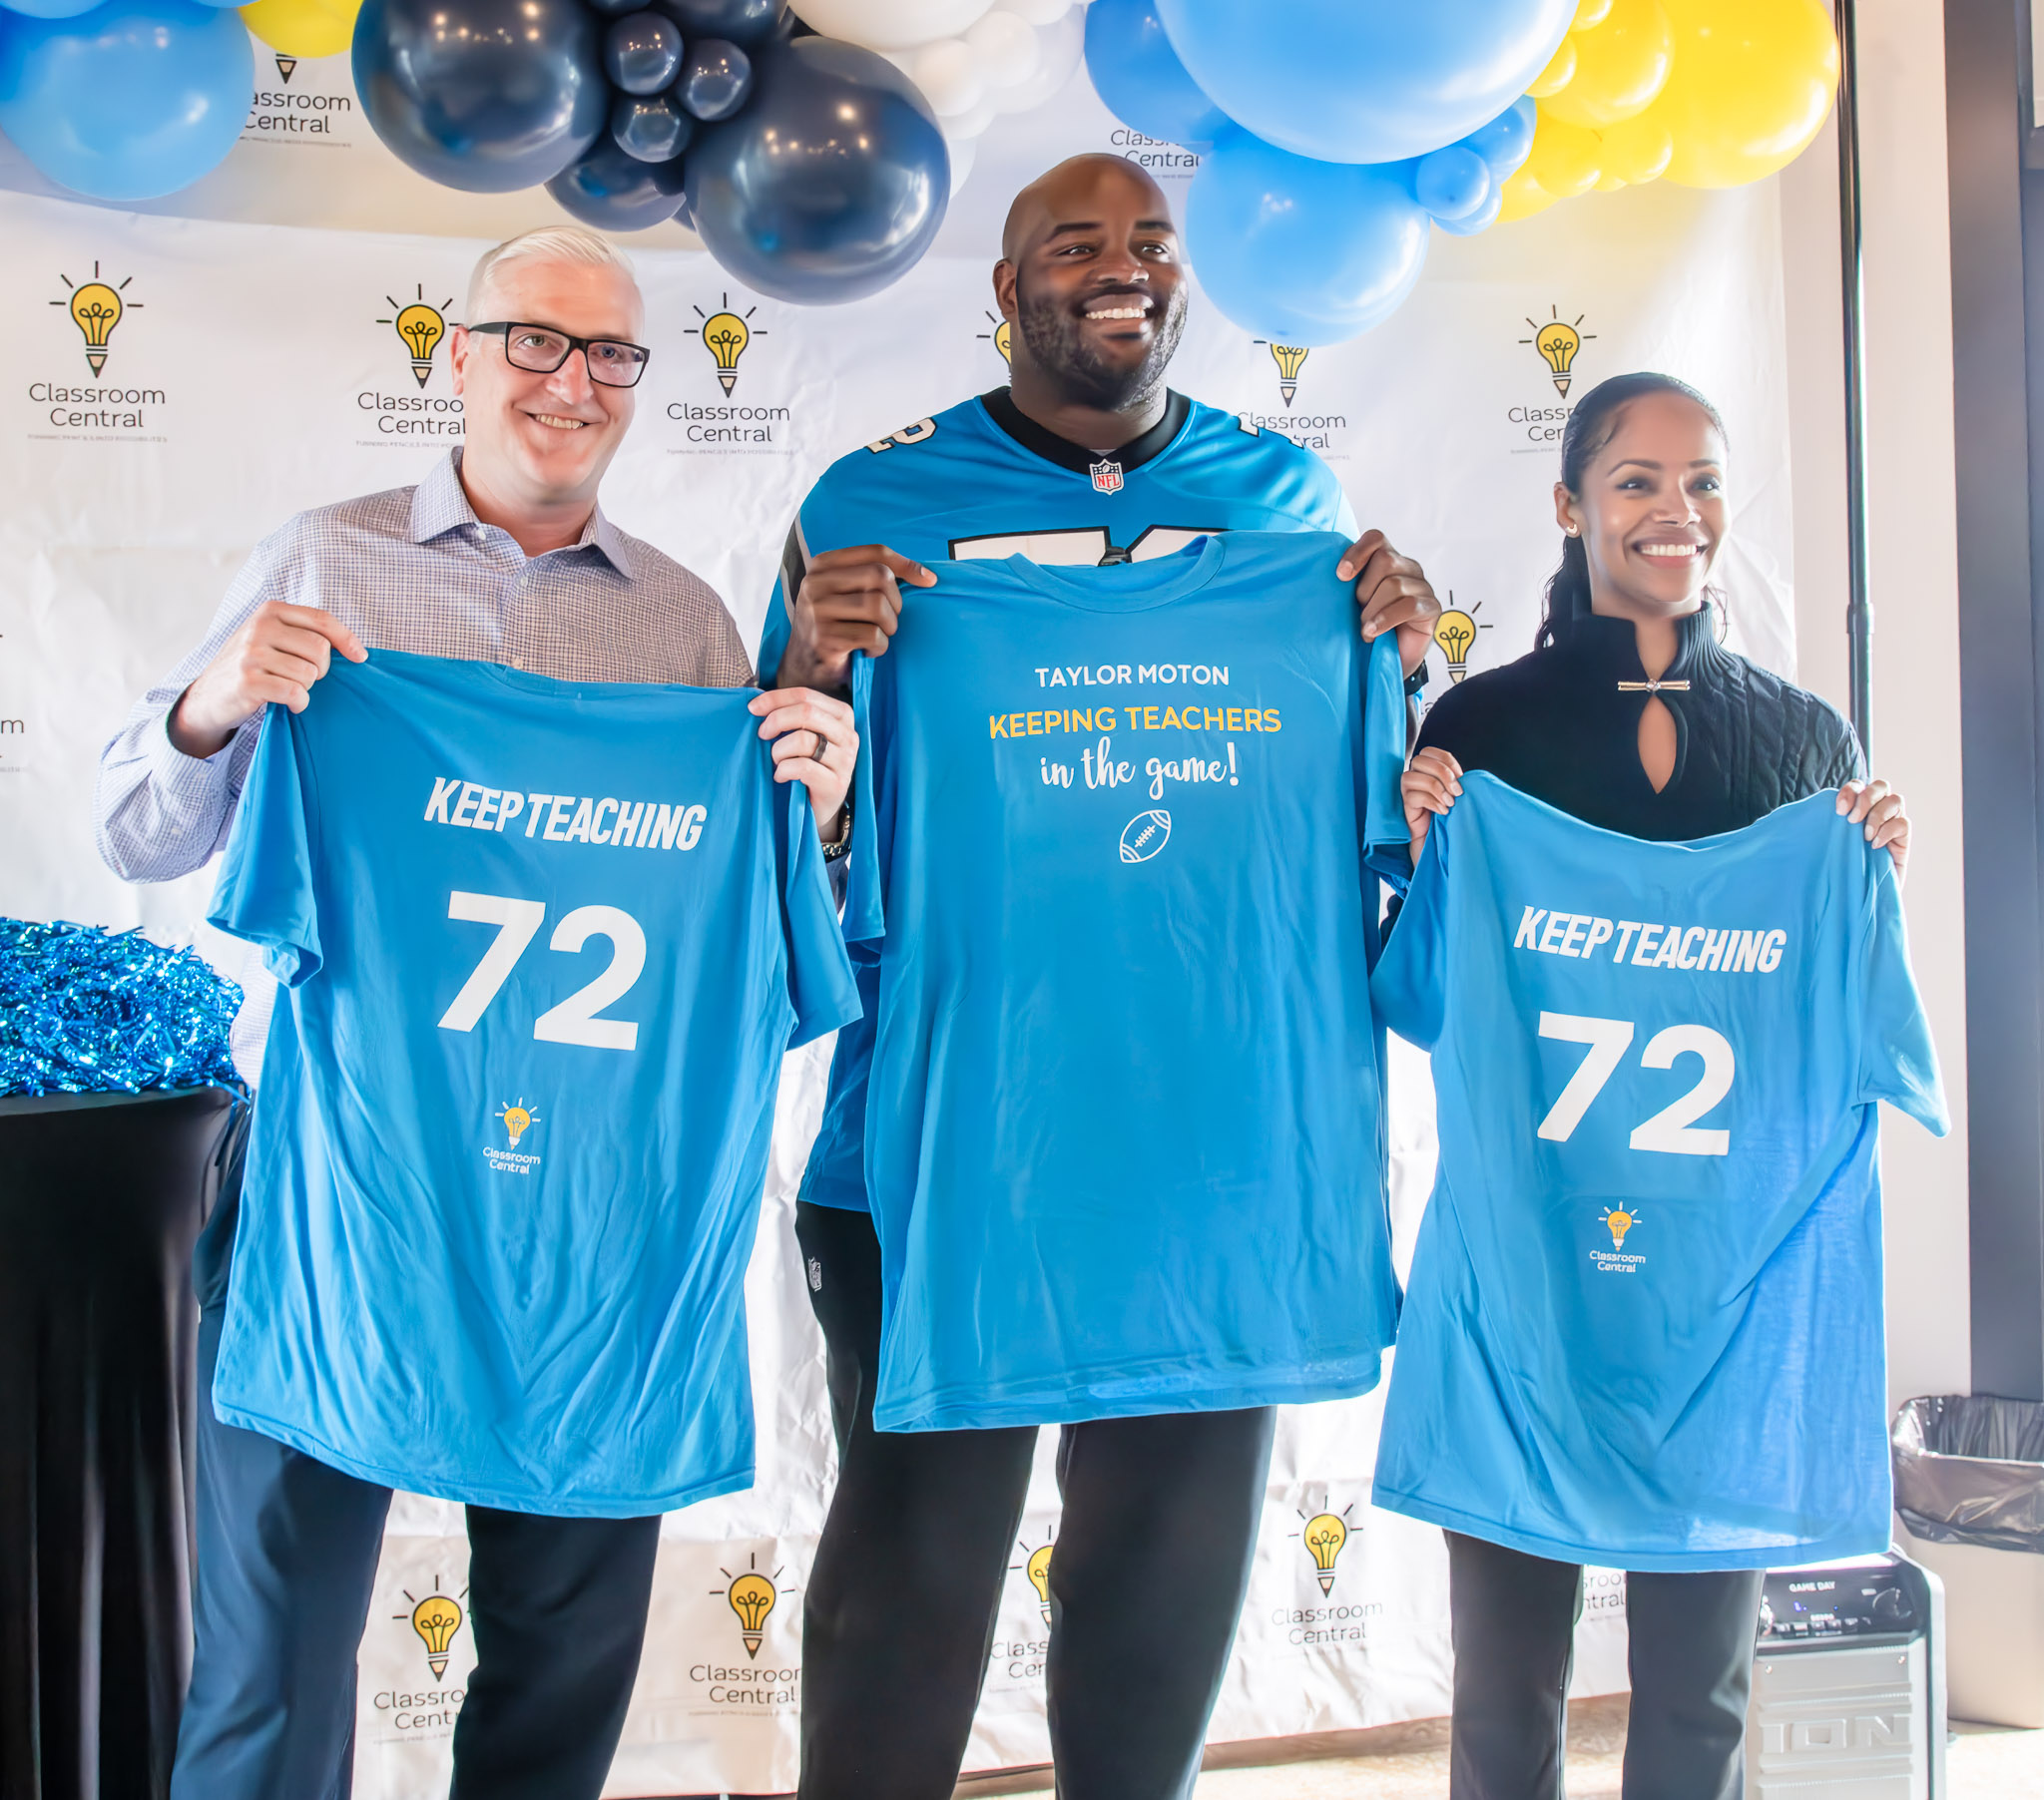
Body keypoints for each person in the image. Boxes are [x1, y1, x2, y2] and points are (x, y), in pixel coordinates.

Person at [93, 225, 854, 1800]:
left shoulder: (690, 629)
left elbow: (761, 961)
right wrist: (216, 699)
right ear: (456, 349)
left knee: (561, 1660)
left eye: (607, 356)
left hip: (596, 1207)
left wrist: (819, 816)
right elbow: (140, 834)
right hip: (337, 1189)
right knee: (264, 1665)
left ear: (638, 386)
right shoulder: (322, 558)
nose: (568, 383)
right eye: (533, 340)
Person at [762, 153, 1440, 1800]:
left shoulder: (1293, 520)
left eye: (1149, 244)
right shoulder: (866, 504)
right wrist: (804, 662)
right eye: (1075, 247)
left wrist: (1400, 664)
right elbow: (777, 834)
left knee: (1160, 1598)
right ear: (1005, 293)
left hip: (1212, 1155)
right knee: (907, 1595)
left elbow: (1386, 823)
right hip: (938, 1150)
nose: (1121, 270)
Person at [1396, 371, 1910, 1800]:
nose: (1674, 511)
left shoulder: (1809, 747)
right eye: (1635, 480)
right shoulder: (1478, 729)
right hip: (1524, 1276)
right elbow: (1416, 998)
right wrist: (1423, 848)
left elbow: (1835, 1029)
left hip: (1723, 1293)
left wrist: (1870, 878)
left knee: (1702, 1712)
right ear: (1569, 507)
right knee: (1506, 1707)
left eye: (1700, 481)